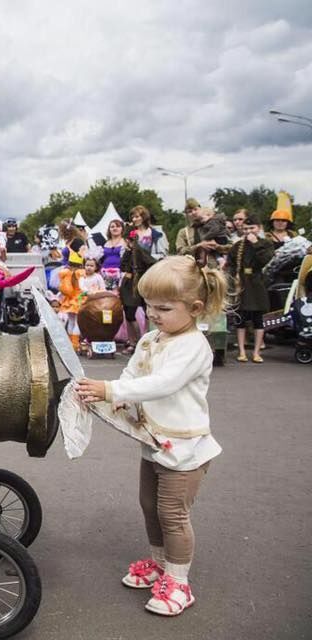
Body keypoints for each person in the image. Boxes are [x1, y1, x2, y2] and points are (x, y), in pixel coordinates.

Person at [75, 255, 227, 617]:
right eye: (148, 306)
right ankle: (160, 563)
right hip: (154, 442)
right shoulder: (150, 339)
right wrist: (102, 396)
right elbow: (131, 377)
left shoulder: (193, 346)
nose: (154, 314)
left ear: (195, 308)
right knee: (150, 506)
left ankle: (178, 580)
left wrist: (109, 390)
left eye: (163, 307)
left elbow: (163, 384)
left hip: (185, 449)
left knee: (173, 514)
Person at [226, 216, 274, 363]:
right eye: (245, 229)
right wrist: (233, 281)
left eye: (251, 228)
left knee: (258, 319)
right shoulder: (237, 246)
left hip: (257, 284)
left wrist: (256, 244)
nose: (248, 231)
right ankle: (241, 351)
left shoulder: (266, 244)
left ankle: (257, 352)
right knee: (241, 318)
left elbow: (264, 260)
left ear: (258, 228)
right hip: (242, 284)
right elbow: (231, 264)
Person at [120, 228, 158, 353]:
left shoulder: (140, 250)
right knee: (129, 313)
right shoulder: (129, 251)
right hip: (128, 284)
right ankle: (134, 341)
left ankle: (143, 341)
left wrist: (141, 274)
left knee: (145, 311)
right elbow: (122, 266)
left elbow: (152, 263)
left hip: (137, 283)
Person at [100, 219, 127, 287]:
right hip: (105, 272)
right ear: (109, 229)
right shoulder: (105, 243)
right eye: (112, 227)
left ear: (122, 229)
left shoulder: (126, 242)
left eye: (118, 226)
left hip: (120, 272)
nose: (115, 228)